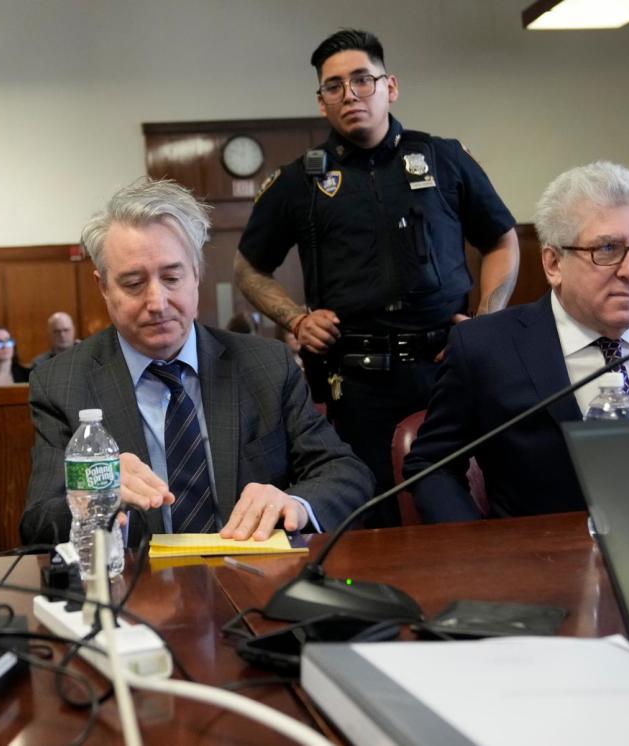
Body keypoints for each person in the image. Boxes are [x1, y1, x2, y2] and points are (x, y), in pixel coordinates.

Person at [234, 28, 519, 525]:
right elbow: (248, 268)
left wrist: (486, 320)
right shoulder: (299, 181)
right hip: (358, 383)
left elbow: (501, 239)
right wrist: (297, 319)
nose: (350, 95)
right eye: (334, 86)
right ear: (321, 102)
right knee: (374, 519)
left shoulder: (443, 158)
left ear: (390, 86)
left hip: (449, 365)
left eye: (362, 80)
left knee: (469, 505)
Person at [403, 162, 629, 523]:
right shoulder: (485, 347)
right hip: (549, 561)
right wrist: (480, 554)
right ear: (553, 264)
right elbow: (431, 466)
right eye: (607, 249)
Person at [21, 179, 373, 546]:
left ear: (196, 274)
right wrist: (95, 497)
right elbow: (38, 523)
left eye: (172, 277)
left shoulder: (266, 365)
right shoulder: (62, 382)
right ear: (104, 287)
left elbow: (346, 474)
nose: (157, 302)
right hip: (136, 588)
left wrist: (295, 504)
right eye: (133, 284)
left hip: (252, 580)